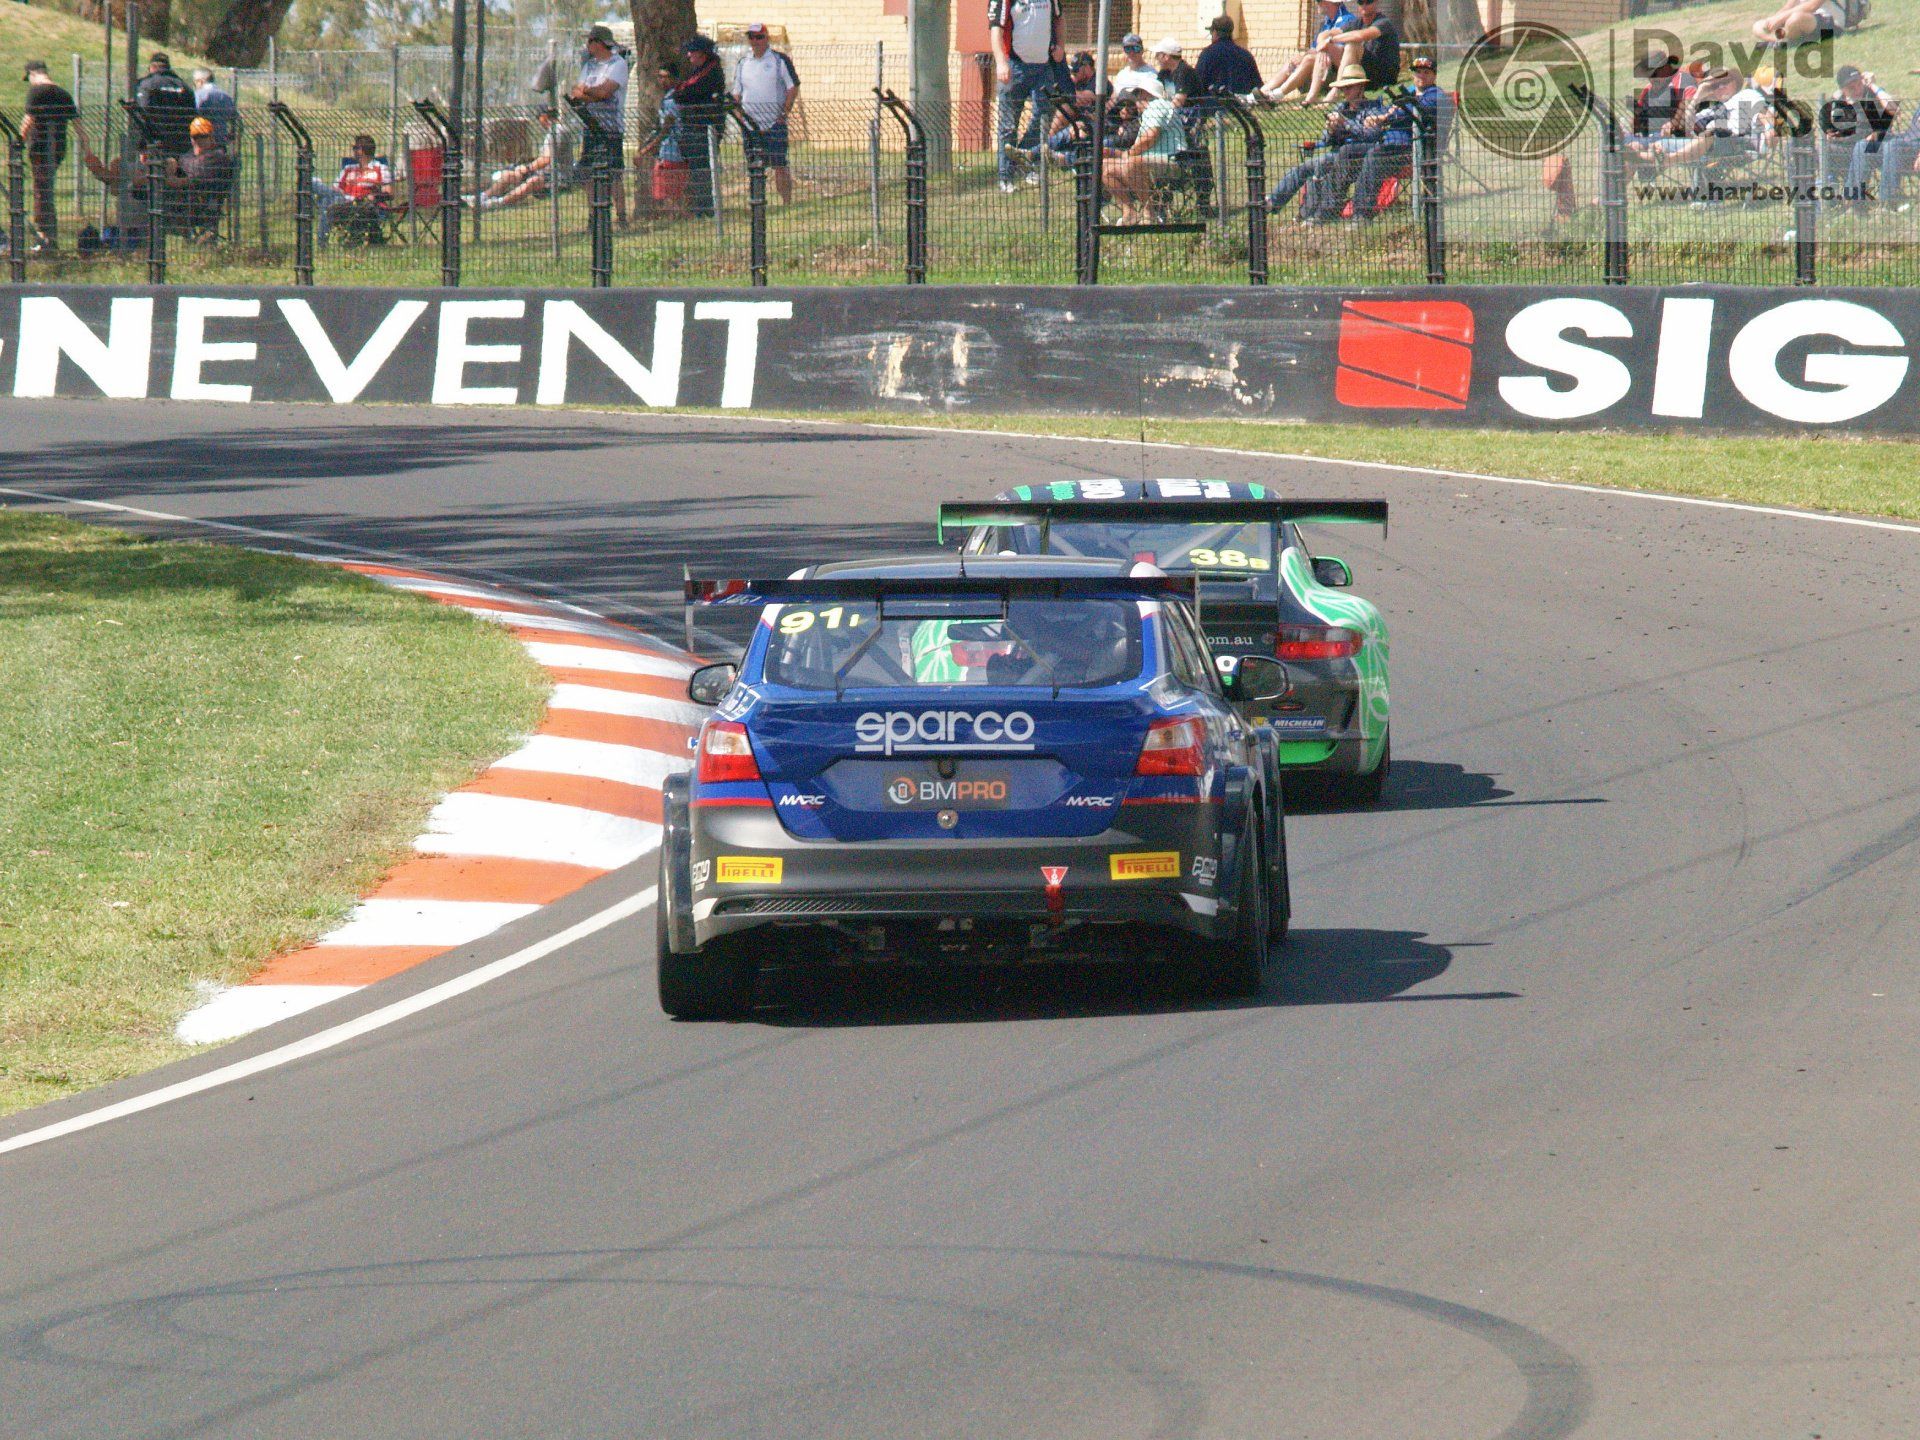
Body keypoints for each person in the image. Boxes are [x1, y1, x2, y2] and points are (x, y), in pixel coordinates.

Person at [1267, 64, 1376, 221]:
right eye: (1343, 88)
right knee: (1303, 168)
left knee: (1321, 164)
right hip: (1335, 153)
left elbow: (1372, 135)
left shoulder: (1372, 108)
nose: (1346, 92)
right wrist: (1330, 130)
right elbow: (1325, 140)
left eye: (1349, 87)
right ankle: (1273, 203)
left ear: (1361, 86)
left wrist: (1346, 124)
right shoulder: (1341, 107)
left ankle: (1310, 214)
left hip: (1356, 157)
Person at [989, 0, 1064, 193]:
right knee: (1008, 125)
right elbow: (995, 28)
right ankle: (1005, 176)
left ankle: (1026, 160)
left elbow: (1058, 19)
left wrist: (1061, 46)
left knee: (1044, 115)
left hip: (1043, 67)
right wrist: (1000, 62)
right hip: (1014, 66)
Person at [733, 22, 801, 205]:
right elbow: (736, 92)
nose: (755, 41)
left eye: (759, 37)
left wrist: (784, 113)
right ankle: (758, 202)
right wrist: (739, 116)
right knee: (755, 166)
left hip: (773, 123)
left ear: (766, 38)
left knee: (779, 164)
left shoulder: (779, 60)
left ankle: (787, 201)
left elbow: (792, 87)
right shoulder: (742, 63)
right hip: (750, 124)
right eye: (752, 37)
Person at [1101, 76, 1184, 224]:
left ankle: (1149, 212)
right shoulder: (1147, 116)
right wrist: (1112, 153)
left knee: (1132, 162)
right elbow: (1140, 149)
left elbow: (1150, 138)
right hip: (1148, 161)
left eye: (1137, 96)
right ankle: (1129, 212)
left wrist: (1128, 154)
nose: (1135, 101)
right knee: (1105, 166)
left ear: (1145, 94)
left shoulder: (1158, 105)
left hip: (1172, 161)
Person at [571, 24, 631, 226]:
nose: (587, 45)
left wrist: (589, 92)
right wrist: (591, 93)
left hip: (611, 128)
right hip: (590, 127)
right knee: (588, 172)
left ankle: (621, 216)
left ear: (598, 43)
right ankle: (593, 216)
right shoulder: (589, 66)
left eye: (590, 41)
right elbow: (577, 93)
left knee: (614, 173)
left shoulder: (618, 64)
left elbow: (607, 91)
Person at [21, 60, 78, 255]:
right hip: (58, 148)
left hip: (40, 148)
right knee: (46, 190)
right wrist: (87, 150)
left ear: (31, 74)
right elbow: (80, 128)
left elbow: (28, 121)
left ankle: (45, 236)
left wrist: (18, 143)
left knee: (41, 192)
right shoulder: (64, 94)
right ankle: (47, 235)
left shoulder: (36, 92)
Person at [1818, 64, 1893, 209]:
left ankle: (1853, 200)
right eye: (1851, 87)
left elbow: (1892, 109)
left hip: (1869, 147)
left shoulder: (1870, 96)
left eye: (1859, 84)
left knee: (1860, 148)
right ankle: (1819, 197)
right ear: (1843, 89)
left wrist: (1872, 85)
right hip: (1842, 149)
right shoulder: (1838, 102)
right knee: (1815, 149)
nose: (1857, 89)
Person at [1257, 0, 1355, 106]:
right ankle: (1260, 94)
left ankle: (1275, 96)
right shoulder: (1326, 23)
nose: (1317, 4)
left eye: (1318, 1)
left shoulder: (1348, 20)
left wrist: (1309, 56)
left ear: (1328, 3)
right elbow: (1314, 49)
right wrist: (1302, 56)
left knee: (1309, 59)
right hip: (1319, 70)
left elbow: (1337, 51)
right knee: (1294, 61)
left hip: (1335, 73)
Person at [671, 34, 727, 218]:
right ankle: (700, 207)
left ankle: (707, 208)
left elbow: (687, 92)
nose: (688, 55)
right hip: (692, 126)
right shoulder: (697, 71)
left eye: (691, 52)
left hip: (704, 127)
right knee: (695, 168)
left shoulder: (711, 71)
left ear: (702, 53)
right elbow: (680, 91)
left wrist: (682, 93)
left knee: (703, 167)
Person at [308, 133, 392, 246]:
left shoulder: (379, 168)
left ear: (363, 150)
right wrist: (339, 193)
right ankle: (312, 182)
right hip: (341, 201)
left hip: (361, 204)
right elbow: (335, 189)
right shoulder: (349, 168)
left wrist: (373, 197)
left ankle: (321, 244)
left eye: (355, 148)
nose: (353, 151)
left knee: (326, 202)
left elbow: (389, 193)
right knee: (326, 195)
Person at [473, 107, 560, 210]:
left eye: (538, 118)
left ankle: (498, 203)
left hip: (556, 177)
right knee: (509, 175)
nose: (540, 123)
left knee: (533, 181)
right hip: (544, 173)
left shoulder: (557, 132)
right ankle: (481, 198)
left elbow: (547, 159)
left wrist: (528, 168)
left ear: (544, 117)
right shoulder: (552, 133)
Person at [175, 117, 233, 237]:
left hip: (210, 200)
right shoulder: (186, 157)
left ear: (211, 137)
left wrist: (186, 179)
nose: (200, 140)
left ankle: (208, 234)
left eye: (203, 136)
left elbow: (199, 176)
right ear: (191, 139)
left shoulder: (219, 156)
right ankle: (192, 237)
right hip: (189, 201)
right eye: (196, 137)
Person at [134, 51, 197, 157]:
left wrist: (142, 144)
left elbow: (143, 112)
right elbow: (192, 115)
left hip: (154, 142)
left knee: (154, 171)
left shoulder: (145, 84)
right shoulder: (184, 86)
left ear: (152, 67)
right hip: (181, 143)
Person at [1630, 46, 1696, 138]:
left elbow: (1689, 105)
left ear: (1666, 68)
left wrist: (1672, 124)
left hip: (1676, 138)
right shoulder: (1647, 90)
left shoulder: (1683, 80)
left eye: (1654, 74)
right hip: (1650, 137)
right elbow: (1636, 125)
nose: (1651, 79)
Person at [1194, 14, 1262, 99]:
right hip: (1242, 108)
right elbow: (1257, 86)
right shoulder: (1246, 55)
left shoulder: (1207, 54)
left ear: (1215, 32)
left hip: (1213, 107)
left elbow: (1197, 84)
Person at [1751, 0, 1851, 44]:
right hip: (1805, 20)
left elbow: (1812, 6)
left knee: (1795, 19)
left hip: (1830, 22)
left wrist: (1781, 18)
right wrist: (1774, 20)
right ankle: (1781, 39)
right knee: (1758, 26)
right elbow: (1788, 7)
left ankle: (1783, 40)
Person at [191, 68, 238, 148]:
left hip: (202, 141)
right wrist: (231, 135)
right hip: (221, 141)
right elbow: (234, 118)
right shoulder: (225, 96)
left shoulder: (197, 95)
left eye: (195, 82)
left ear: (200, 81)